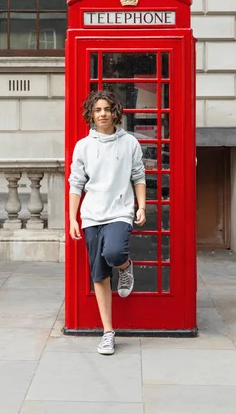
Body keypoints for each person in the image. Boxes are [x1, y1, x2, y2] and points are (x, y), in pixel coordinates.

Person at [68, 90, 146, 355]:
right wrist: (72, 219)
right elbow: (76, 183)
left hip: (120, 211)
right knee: (99, 274)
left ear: (115, 112)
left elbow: (138, 175)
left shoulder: (129, 143)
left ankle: (125, 266)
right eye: (98, 109)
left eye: (107, 109)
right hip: (91, 215)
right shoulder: (83, 146)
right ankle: (108, 332)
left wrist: (142, 205)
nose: (102, 114)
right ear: (91, 114)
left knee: (114, 253)